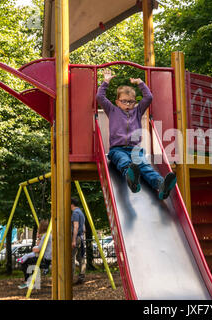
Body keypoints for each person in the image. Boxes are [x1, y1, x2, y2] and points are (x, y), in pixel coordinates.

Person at [96, 69, 177, 200]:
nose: (128, 104)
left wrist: (140, 83)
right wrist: (106, 81)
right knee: (124, 161)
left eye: (131, 101)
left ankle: (161, 185)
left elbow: (149, 97)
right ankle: (131, 178)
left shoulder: (138, 111)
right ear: (117, 102)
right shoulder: (112, 110)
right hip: (117, 149)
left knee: (145, 166)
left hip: (135, 150)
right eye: (124, 101)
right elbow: (100, 97)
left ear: (135, 102)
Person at [18, 219, 52, 289]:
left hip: (45, 259)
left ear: (42, 227)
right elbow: (41, 247)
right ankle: (31, 281)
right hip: (48, 257)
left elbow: (38, 249)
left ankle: (27, 281)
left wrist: (34, 248)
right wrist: (39, 239)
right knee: (32, 262)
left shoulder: (45, 236)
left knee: (24, 262)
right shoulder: (48, 235)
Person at [71, 197, 86, 285]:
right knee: (81, 258)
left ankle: (70, 278)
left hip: (76, 237)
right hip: (81, 237)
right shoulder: (81, 212)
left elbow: (76, 227)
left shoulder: (75, 213)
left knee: (71, 258)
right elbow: (84, 228)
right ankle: (81, 276)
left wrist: (73, 240)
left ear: (72, 204)